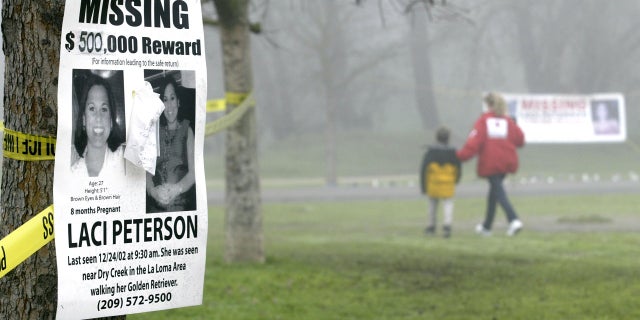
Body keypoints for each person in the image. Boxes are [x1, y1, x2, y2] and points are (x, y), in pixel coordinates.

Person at [457, 92, 525, 236]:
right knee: (494, 193)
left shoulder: (483, 121)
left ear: (489, 105)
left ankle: (513, 219)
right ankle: (486, 227)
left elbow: (473, 143)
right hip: (507, 162)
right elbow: (520, 140)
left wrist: (460, 156)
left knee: (499, 193)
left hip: (491, 162)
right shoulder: (508, 121)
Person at [146, 76, 196, 213]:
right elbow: (146, 172)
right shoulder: (153, 131)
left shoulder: (187, 130)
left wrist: (177, 188)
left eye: (172, 98)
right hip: (155, 209)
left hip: (181, 208)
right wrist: (152, 191)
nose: (169, 106)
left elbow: (193, 173)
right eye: (165, 100)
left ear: (178, 101)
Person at [71, 73, 125, 177]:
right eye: (92, 108)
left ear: (111, 121)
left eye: (104, 109)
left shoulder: (125, 163)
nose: (98, 117)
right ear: (83, 119)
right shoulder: (73, 172)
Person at [419, 127, 461, 238]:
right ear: (448, 138)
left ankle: (431, 226)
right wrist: (456, 180)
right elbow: (458, 168)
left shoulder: (430, 152)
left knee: (432, 205)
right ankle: (447, 226)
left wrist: (423, 186)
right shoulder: (453, 152)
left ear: (436, 137)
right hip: (448, 184)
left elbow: (424, 169)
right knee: (448, 204)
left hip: (433, 184)